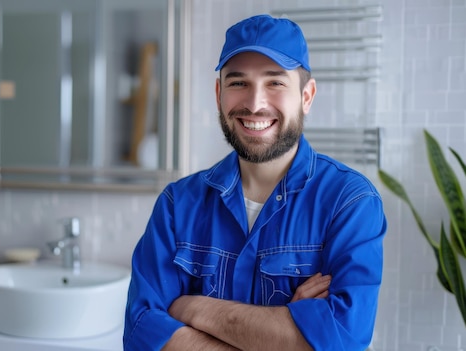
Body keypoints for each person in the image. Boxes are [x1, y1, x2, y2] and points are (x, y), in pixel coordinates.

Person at [123, 14, 387, 351]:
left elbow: (342, 340)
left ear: (307, 96)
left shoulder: (349, 203)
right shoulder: (178, 205)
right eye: (238, 83)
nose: (254, 103)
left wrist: (190, 307)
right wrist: (285, 325)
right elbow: (140, 334)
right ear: (219, 93)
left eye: (275, 82)